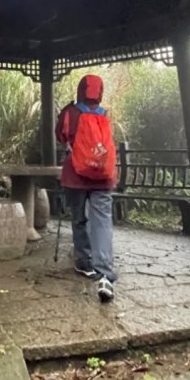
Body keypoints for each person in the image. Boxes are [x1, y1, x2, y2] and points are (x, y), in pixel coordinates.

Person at [56, 74, 118, 303]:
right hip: (103, 176)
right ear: (100, 92)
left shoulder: (70, 112)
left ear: (81, 89)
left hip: (76, 175)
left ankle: (84, 262)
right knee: (102, 222)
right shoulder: (104, 114)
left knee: (79, 218)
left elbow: (60, 136)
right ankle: (105, 275)